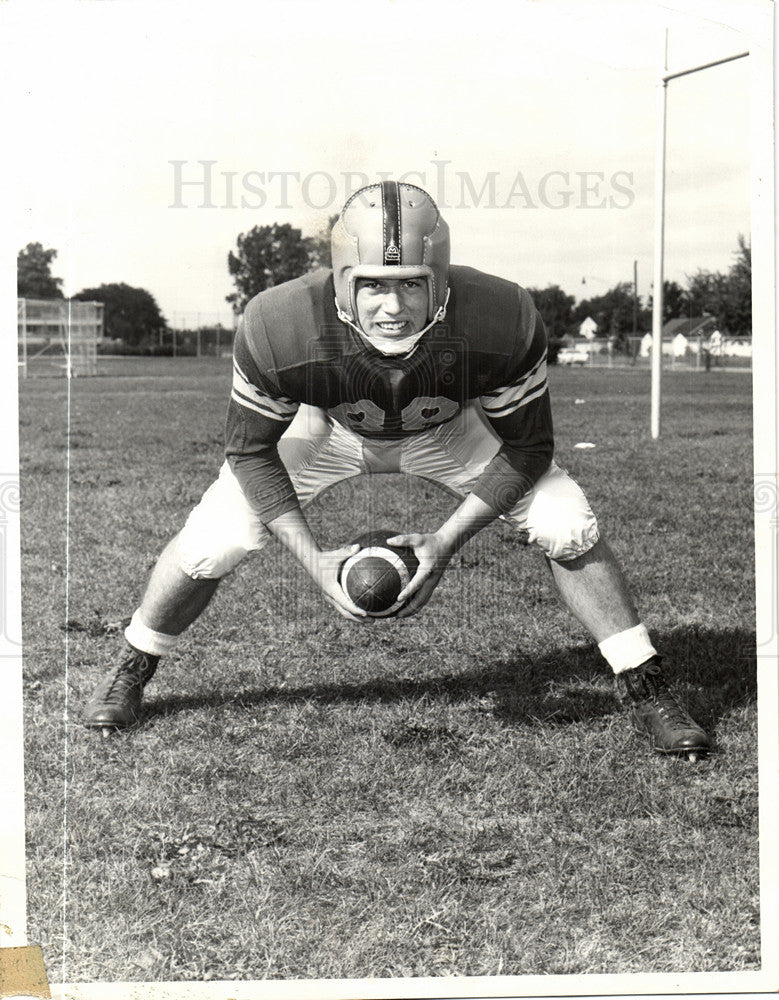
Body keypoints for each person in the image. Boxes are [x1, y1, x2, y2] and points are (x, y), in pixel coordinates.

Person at [85, 180, 709, 759]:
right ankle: (134, 665)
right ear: (340, 281)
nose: (393, 307)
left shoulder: (501, 317)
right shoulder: (279, 324)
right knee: (216, 538)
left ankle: (644, 682)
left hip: (448, 427)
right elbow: (250, 451)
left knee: (563, 520)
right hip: (325, 427)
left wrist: (443, 542)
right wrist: (314, 561)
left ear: (440, 280)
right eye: (374, 285)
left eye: (411, 284)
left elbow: (527, 447)